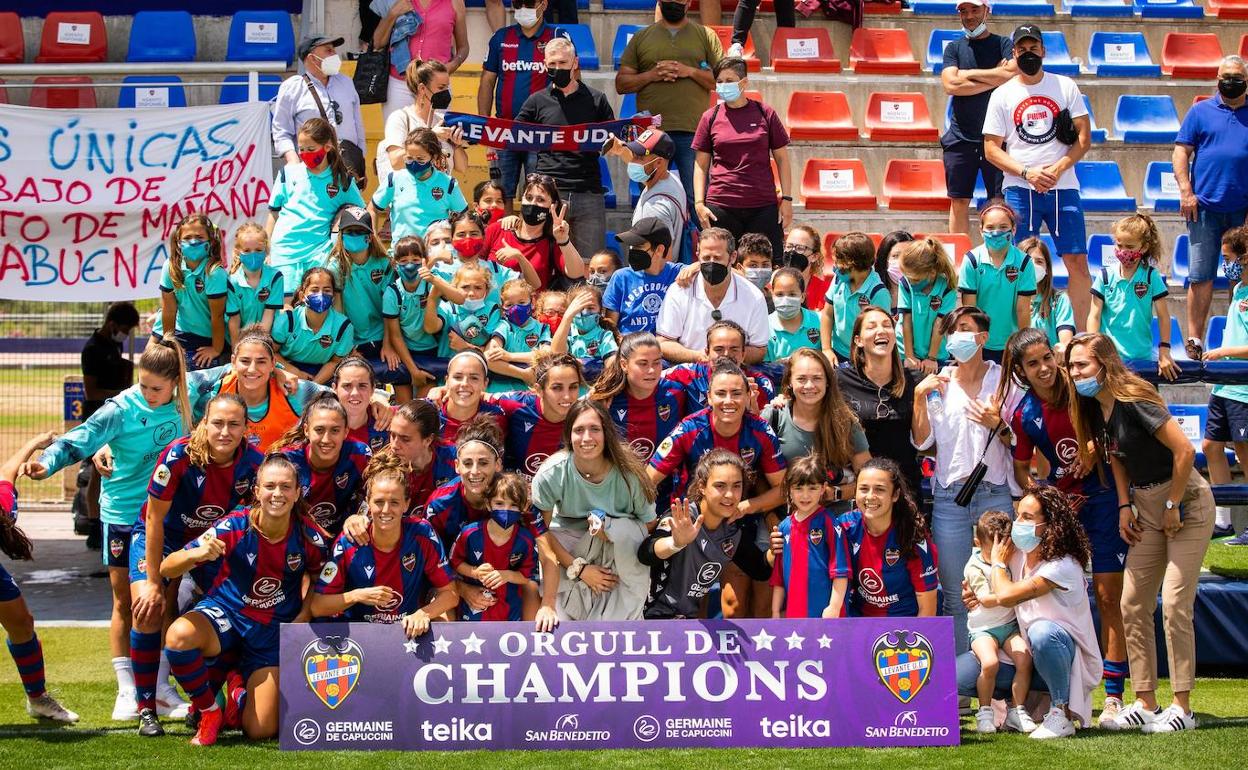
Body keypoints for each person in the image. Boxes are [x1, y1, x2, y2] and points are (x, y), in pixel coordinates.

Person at [21, 339, 190, 723]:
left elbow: (232, 373)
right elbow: (83, 437)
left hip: (163, 516)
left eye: (156, 389)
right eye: (143, 385)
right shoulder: (121, 408)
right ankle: (126, 690)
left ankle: (161, 687)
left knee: (164, 598)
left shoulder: (189, 395)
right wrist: (47, 463)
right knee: (124, 603)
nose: (147, 394)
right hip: (123, 515)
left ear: (174, 385)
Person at [1068, 333, 1215, 733]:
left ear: (1104, 362)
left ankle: (1182, 707)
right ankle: (1145, 701)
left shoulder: (1134, 396)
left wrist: (1171, 506)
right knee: (1132, 603)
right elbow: (1116, 456)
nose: (1075, 372)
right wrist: (1123, 504)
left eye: (1081, 364)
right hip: (1145, 506)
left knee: (1174, 605)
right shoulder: (1095, 406)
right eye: (1072, 366)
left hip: (1186, 503)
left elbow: (1185, 451)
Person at [1000, 328, 1130, 725]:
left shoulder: (1081, 390)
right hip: (1063, 515)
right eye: (1033, 363)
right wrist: (1045, 497)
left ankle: (1113, 695)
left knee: (1109, 599)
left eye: (1047, 358)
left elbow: (1116, 431)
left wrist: (1095, 449)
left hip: (1105, 501)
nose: (1044, 368)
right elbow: (1022, 468)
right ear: (1020, 370)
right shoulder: (1024, 414)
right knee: (1055, 603)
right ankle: (1062, 693)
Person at [160, 454, 329, 746]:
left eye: (286, 487)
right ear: (257, 491)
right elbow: (167, 567)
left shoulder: (309, 537)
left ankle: (237, 690)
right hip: (226, 615)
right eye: (270, 486)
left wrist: (303, 614)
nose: (278, 494)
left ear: (297, 492)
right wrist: (196, 554)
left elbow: (318, 580)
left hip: (270, 631)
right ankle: (210, 711)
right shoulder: (233, 527)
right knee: (178, 637)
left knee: (260, 730)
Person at [127, 394, 261, 736]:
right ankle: (146, 708)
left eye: (234, 424)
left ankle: (213, 697)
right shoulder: (178, 456)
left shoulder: (254, 463)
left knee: (234, 608)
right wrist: (156, 582)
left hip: (214, 543)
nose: (225, 431)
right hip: (164, 538)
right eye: (217, 423)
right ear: (203, 423)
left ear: (246, 427)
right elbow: (154, 520)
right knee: (147, 608)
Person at [648, 358, 786, 617]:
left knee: (734, 605)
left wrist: (747, 506)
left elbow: (783, 488)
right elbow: (647, 480)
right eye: (721, 393)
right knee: (690, 599)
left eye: (736, 393)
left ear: (748, 396)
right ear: (709, 397)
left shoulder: (760, 430)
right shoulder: (689, 428)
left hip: (737, 522)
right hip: (691, 522)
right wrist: (647, 522)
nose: (728, 401)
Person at [912, 306, 1013, 652]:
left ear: (982, 338)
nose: (956, 336)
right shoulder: (937, 383)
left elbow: (1019, 440)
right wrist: (918, 398)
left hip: (993, 491)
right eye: (952, 330)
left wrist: (997, 424)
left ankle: (1005, 685)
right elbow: (923, 442)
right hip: (949, 498)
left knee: (1005, 587)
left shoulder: (1004, 381)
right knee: (955, 594)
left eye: (965, 329)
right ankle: (961, 684)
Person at [970, 485, 1103, 739]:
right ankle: (1013, 708)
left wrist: (998, 563)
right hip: (1023, 652)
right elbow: (984, 576)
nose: (1017, 524)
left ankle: (1060, 712)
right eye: (1018, 515)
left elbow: (1006, 596)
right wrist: (974, 591)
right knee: (963, 675)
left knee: (1043, 633)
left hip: (1063, 656)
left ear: (1050, 525)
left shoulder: (1062, 565)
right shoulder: (1018, 554)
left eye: (1027, 518)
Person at [983, 24, 1092, 327]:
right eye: (1022, 49)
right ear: (1014, 53)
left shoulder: (1065, 86)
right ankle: (1019, 332)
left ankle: (1080, 336)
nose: (1028, 54)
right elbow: (991, 148)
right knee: (1018, 263)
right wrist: (1027, 172)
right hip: (1020, 188)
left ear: (1043, 50)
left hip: (1063, 187)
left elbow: (1084, 137)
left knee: (1077, 261)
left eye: (1034, 48)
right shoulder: (1002, 94)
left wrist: (1057, 169)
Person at [532, 400, 658, 625]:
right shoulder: (551, 473)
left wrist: (611, 531)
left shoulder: (631, 476)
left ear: (607, 433)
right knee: (557, 623)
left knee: (620, 626)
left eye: (595, 429)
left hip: (615, 547)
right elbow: (541, 534)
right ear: (568, 435)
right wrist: (579, 568)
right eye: (578, 430)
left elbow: (647, 526)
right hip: (565, 546)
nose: (587, 438)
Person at [312, 452, 458, 628]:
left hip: (407, 636)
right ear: (368, 502)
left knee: (446, 620)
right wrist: (357, 596)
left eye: (395, 502)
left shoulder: (422, 534)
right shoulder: (350, 541)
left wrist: (423, 614)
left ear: (406, 504)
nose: (386, 510)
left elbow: (450, 594)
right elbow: (317, 606)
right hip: (360, 639)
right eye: (379, 502)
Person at [1, 433, 80, 723]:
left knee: (22, 623)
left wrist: (34, 443)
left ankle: (38, 699)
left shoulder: (2, 505)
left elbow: (7, 473)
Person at [1173, 55, 1248, 360]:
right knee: (1200, 275)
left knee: (1241, 277)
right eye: (1225, 76)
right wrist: (1185, 191)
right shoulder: (1200, 112)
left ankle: (1239, 339)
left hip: (1242, 211)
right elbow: (1181, 153)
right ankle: (1194, 340)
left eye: (1237, 77)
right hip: (1203, 208)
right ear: (1217, 79)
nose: (1231, 81)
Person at [515, 37, 615, 262]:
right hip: (549, 195)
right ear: (544, 64)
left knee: (591, 264)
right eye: (552, 64)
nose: (557, 68)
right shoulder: (535, 101)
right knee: (546, 262)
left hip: (588, 192)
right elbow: (511, 135)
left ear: (575, 62)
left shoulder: (597, 100)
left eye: (562, 63)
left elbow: (613, 139)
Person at [616, 0, 723, 209]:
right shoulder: (641, 37)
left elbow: (723, 80)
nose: (674, 3)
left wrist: (689, 71)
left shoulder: (706, 35)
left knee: (697, 200)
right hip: (651, 133)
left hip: (692, 131)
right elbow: (621, 83)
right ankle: (653, 241)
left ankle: (703, 242)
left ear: (689, 2)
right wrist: (652, 75)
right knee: (651, 196)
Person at [639, 449, 771, 619]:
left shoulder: (731, 531)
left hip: (688, 624)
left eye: (737, 486)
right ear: (702, 486)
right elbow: (645, 553)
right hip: (649, 620)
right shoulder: (683, 517)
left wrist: (774, 552)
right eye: (720, 486)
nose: (730, 495)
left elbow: (760, 569)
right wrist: (675, 543)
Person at [692, 57, 792, 259]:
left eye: (730, 80)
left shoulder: (765, 113)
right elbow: (700, 165)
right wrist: (699, 203)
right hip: (721, 205)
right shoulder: (709, 117)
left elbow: (782, 159)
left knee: (768, 267)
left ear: (744, 82)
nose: (723, 85)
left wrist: (788, 199)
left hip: (762, 205)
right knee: (720, 268)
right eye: (719, 81)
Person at [477, 0, 565, 207]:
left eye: (527, 2)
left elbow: (571, 81)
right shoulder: (500, 38)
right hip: (504, 130)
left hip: (541, 132)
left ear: (543, 4)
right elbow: (487, 82)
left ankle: (535, 238)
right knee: (500, 194)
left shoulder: (556, 37)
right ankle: (503, 237)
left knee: (539, 194)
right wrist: (485, 125)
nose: (521, 7)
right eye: (517, 3)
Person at [941, 0, 1014, 235]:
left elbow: (1012, 73)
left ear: (987, 11)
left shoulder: (1004, 44)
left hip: (997, 138)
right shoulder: (953, 48)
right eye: (964, 11)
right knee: (959, 201)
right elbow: (951, 84)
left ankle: (999, 261)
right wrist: (996, 75)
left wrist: (968, 75)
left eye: (975, 10)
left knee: (999, 204)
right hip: (961, 137)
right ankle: (960, 262)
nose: (969, 16)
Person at [191, 328, 330, 452]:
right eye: (245, 361)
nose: (252, 369)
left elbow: (337, 397)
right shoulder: (214, 390)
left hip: (278, 474)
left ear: (272, 363)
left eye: (261, 361)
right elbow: (181, 382)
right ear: (233, 362)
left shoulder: (292, 391)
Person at [830, 458, 938, 617]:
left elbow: (927, 610)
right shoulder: (844, 527)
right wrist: (779, 540)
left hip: (903, 628)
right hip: (859, 624)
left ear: (895, 495)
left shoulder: (913, 535)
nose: (870, 496)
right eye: (864, 489)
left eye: (879, 489)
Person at [267, 118, 366, 286]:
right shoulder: (287, 174)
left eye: (311, 149)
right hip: (284, 253)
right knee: (284, 307)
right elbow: (273, 214)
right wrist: (267, 250)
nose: (305, 154)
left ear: (327, 147)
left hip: (320, 255)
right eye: (301, 149)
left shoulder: (343, 181)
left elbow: (361, 214)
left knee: (321, 304)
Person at [761, 349, 870, 500]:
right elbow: (758, 478)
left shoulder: (845, 422)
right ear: (789, 382)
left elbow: (868, 479)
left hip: (834, 516)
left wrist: (834, 493)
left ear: (828, 382)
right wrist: (769, 516)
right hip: (783, 516)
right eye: (801, 379)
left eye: (817, 378)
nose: (809, 385)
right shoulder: (773, 417)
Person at [837, 307, 923, 498]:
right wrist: (784, 397)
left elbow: (925, 441)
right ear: (858, 340)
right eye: (871, 326)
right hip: (863, 491)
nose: (881, 330)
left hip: (906, 488)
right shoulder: (839, 380)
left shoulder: (916, 381)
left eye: (887, 325)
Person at [964, 510, 1035, 734]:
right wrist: (1016, 594)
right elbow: (984, 599)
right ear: (978, 542)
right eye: (995, 549)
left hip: (1009, 627)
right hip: (982, 629)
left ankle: (1017, 710)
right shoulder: (974, 566)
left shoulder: (1012, 557)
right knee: (990, 663)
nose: (1002, 554)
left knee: (1024, 659)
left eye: (1006, 547)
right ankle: (984, 712)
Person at [656, 227, 769, 363]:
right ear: (697, 255)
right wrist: (699, 356)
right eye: (706, 258)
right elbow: (663, 342)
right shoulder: (679, 291)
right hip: (690, 370)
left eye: (717, 257)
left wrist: (727, 357)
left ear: (732, 257)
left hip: (735, 372)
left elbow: (759, 349)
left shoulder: (753, 296)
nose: (711, 262)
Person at [1089, 213, 1178, 380]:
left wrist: (1164, 350)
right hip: (1110, 361)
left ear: (1143, 248)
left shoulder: (1151, 277)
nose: (1123, 252)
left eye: (1130, 247)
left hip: (1142, 360)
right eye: (1119, 245)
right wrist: (1092, 348)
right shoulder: (1105, 276)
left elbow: (1164, 316)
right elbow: (1094, 315)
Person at [80, 302, 139, 546]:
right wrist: (122, 393)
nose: (126, 334)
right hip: (98, 415)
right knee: (97, 470)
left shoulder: (114, 345)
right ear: (112, 323)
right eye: (125, 328)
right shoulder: (93, 349)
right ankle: (94, 523)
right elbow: (91, 391)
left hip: (117, 415)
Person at [272, 35, 367, 187]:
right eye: (329, 51)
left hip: (348, 168)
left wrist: (360, 160)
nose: (335, 55)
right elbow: (281, 131)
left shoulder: (346, 82)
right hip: (312, 169)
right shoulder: (292, 87)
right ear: (312, 58)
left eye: (334, 50)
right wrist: (294, 163)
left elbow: (358, 125)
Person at [272, 396, 372, 536]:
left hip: (345, 535)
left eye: (335, 430)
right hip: (297, 536)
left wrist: (359, 517)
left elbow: (374, 495)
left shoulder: (359, 455)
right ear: (306, 430)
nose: (326, 439)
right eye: (319, 430)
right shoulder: (284, 462)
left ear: (346, 432)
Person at [589, 332, 690, 468]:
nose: (651, 370)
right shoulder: (606, 400)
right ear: (624, 365)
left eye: (657, 363)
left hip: (667, 484)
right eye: (643, 364)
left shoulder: (676, 392)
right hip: (621, 481)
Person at [450, 472, 539, 621]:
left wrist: (507, 575)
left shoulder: (526, 540)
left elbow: (527, 576)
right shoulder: (470, 533)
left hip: (509, 613)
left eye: (514, 505)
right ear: (488, 504)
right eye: (499, 503)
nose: (506, 510)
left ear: (524, 507)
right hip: (473, 612)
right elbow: (455, 562)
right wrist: (475, 572)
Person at [769, 456, 849, 619]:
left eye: (812, 488)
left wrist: (834, 607)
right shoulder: (784, 527)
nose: (805, 495)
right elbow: (778, 576)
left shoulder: (829, 522)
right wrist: (775, 611)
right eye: (799, 488)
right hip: (795, 616)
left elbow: (840, 571)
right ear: (789, 489)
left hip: (827, 615)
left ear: (823, 488)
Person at [1207, 226, 1248, 542]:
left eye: (1228, 258)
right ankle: (1223, 522)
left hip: (1242, 388)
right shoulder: (1238, 292)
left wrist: (1222, 352)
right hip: (1223, 385)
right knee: (1210, 446)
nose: (1225, 264)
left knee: (1245, 454)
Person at [383, 236, 462, 396]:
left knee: (424, 404)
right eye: (404, 261)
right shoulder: (393, 293)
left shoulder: (432, 280)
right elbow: (396, 335)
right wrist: (413, 370)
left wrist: (433, 279)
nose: (410, 265)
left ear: (424, 261)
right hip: (405, 352)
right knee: (403, 406)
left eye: (416, 259)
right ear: (396, 264)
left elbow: (460, 298)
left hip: (432, 351)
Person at [958, 204, 1036, 364]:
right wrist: (976, 342)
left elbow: (1022, 309)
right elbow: (970, 309)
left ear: (1013, 230)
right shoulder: (972, 260)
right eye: (990, 227)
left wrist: (1023, 345)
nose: (996, 232)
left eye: (1003, 227)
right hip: (980, 343)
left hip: (1011, 344)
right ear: (981, 230)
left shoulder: (1024, 262)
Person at [152, 214, 228, 371]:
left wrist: (216, 349)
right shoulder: (171, 267)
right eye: (187, 237)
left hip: (211, 337)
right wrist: (169, 343)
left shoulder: (215, 273)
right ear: (179, 242)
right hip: (182, 334)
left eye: (199, 237)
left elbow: (218, 316)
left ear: (210, 242)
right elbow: (169, 310)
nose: (193, 241)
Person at [485, 174, 586, 292]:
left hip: (533, 307)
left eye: (540, 200)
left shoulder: (552, 241)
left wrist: (563, 240)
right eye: (528, 197)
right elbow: (473, 264)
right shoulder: (498, 229)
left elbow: (576, 273)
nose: (533, 204)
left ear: (553, 205)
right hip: (493, 307)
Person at [489, 353, 584, 476]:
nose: (567, 396)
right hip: (513, 490)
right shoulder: (518, 404)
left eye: (573, 387)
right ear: (539, 390)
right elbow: (479, 396)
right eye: (557, 388)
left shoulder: (583, 419)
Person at [373, 0, 469, 123]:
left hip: (437, 85)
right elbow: (378, 43)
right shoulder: (396, 1)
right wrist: (393, 13)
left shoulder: (455, 2)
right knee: (398, 137)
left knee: (437, 138)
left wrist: (452, 65)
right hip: (400, 83)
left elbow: (464, 47)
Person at [370, 128, 469, 244]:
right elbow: (372, 209)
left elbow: (464, 218)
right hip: (402, 256)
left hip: (435, 255)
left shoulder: (448, 184)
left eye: (420, 159)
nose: (414, 163)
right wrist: (373, 238)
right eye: (409, 158)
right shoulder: (394, 180)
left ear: (434, 157)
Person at [376, 59, 469, 181]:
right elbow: (395, 161)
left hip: (439, 197)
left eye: (447, 87)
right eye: (441, 87)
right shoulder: (401, 118)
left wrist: (457, 145)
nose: (446, 92)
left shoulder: (443, 121)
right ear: (422, 89)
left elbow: (462, 168)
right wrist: (432, 136)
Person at [603, 129, 688, 260]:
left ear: (658, 162)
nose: (633, 161)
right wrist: (621, 151)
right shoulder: (670, 180)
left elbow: (662, 259)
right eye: (634, 154)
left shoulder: (655, 207)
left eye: (639, 157)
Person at [663, 320, 776, 412]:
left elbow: (764, 433)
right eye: (719, 349)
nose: (726, 355)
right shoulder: (687, 374)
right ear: (707, 353)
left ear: (743, 354)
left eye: (734, 349)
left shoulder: (761, 385)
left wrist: (751, 408)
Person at [272, 267, 356, 385]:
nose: (321, 295)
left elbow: (334, 362)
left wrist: (313, 386)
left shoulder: (344, 327)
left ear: (333, 297)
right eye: (314, 290)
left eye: (327, 290)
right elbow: (271, 352)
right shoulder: (288, 320)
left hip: (322, 373)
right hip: (287, 368)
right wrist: (295, 372)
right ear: (302, 296)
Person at [820, 231, 891, 364]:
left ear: (851, 264)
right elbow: (828, 315)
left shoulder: (878, 292)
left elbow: (881, 332)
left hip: (865, 357)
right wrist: (827, 349)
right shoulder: (838, 279)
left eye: (838, 263)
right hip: (838, 353)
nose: (834, 267)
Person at [604, 218, 682, 336]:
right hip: (629, 348)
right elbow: (610, 328)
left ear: (659, 250)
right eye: (632, 246)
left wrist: (695, 267)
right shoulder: (621, 278)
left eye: (639, 246)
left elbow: (708, 264)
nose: (634, 251)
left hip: (666, 350)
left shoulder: (678, 273)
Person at [897, 237, 958, 373]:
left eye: (916, 279)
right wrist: (909, 356)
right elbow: (905, 320)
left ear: (931, 273)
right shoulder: (905, 283)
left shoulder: (947, 287)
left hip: (936, 353)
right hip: (905, 351)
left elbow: (939, 324)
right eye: (908, 277)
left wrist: (931, 358)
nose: (911, 282)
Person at [483, 278, 549, 389]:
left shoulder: (542, 328)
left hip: (532, 392)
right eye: (509, 305)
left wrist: (509, 356)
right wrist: (523, 374)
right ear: (503, 308)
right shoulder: (504, 326)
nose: (516, 308)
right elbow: (488, 356)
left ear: (532, 302)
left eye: (522, 302)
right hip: (500, 391)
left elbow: (545, 355)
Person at [225, 223, 284, 343]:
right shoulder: (232, 282)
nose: (253, 254)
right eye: (247, 250)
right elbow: (234, 320)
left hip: (266, 338)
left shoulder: (275, 277)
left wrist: (259, 341)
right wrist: (236, 348)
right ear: (237, 252)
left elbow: (269, 313)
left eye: (258, 250)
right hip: (240, 339)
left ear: (266, 250)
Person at [433, 350, 508, 440]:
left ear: (485, 383)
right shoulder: (426, 415)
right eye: (457, 377)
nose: (465, 384)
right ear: (447, 381)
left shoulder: (496, 418)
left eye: (474, 378)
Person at [551, 284, 618, 380]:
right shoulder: (567, 333)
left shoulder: (603, 336)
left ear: (600, 311)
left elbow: (612, 365)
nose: (585, 313)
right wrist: (567, 317)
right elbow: (556, 354)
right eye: (579, 309)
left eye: (590, 308)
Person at [1021, 236, 1075, 353]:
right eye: (1027, 261)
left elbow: (1065, 339)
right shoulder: (1007, 299)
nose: (1033, 266)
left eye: (1039, 261)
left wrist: (1062, 347)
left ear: (1047, 269)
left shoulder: (1059, 300)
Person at [333, 356, 392, 453]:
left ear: (373, 389)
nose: (355, 393)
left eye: (362, 386)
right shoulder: (321, 422)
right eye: (347, 386)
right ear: (335, 388)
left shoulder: (389, 418)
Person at [766, 268, 822, 365]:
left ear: (802, 297)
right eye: (779, 294)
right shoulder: (765, 326)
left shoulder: (819, 320)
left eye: (792, 294)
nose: (785, 300)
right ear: (772, 295)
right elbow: (764, 367)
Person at [875, 230, 914, 307]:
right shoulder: (873, 292)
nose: (902, 262)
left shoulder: (923, 293)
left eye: (908, 255)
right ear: (884, 259)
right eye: (896, 256)